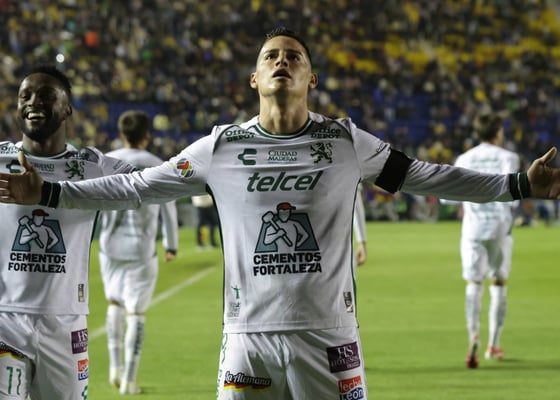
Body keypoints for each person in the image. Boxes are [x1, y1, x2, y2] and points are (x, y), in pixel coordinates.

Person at [2, 28, 560, 399]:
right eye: (271, 56)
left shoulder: (346, 141)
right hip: (247, 339)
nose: (282, 61)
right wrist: (48, 194)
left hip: (329, 338)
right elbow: (136, 187)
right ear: (254, 79)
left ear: (311, 79)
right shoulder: (221, 147)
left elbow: (427, 177)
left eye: (294, 56)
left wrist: (518, 185)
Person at [0, 65, 136, 400]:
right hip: (5, 318)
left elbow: (148, 185)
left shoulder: (92, 166)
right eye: (25, 96)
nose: (33, 102)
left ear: (67, 109)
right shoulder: (1, 158)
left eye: (46, 95)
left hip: (66, 323)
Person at [98, 110, 179, 394]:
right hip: (141, 249)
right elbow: (169, 206)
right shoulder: (158, 164)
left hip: (109, 246)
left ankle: (114, 367)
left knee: (114, 304)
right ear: (147, 135)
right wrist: (171, 244)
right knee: (136, 313)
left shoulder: (105, 161)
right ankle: (129, 381)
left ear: (122, 134)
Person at [444, 112, 520, 369]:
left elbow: (447, 196)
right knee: (498, 283)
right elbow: (513, 194)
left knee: (474, 283)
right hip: (499, 228)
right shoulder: (508, 157)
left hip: (473, 230)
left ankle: (473, 336)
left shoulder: (465, 159)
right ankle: (494, 344)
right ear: (498, 132)